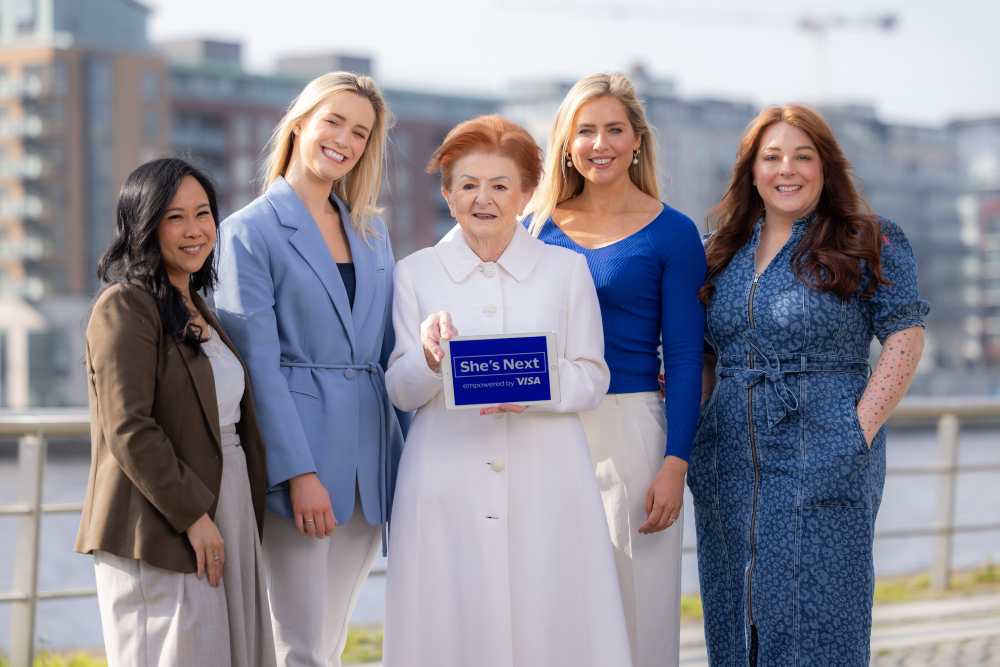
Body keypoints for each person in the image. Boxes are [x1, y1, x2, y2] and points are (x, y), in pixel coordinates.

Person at [382, 115, 632, 667]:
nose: (483, 199)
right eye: (467, 185)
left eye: (499, 186)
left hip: (549, 476)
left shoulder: (566, 271)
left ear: (524, 194)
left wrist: (534, 388)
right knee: (451, 621)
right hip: (446, 476)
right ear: (447, 195)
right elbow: (400, 389)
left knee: (552, 618)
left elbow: (593, 375)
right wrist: (428, 359)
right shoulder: (414, 274)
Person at [688, 104, 929, 665]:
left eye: (803, 156)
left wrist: (855, 432)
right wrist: (693, 431)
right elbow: (701, 353)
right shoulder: (720, 248)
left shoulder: (869, 238)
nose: (786, 169)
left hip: (825, 445)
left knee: (820, 615)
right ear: (751, 171)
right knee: (734, 611)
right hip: (728, 458)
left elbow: (904, 336)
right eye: (771, 157)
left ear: (826, 167)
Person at [214, 72, 403, 667]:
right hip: (299, 462)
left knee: (330, 640)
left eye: (360, 132)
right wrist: (297, 473)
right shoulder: (249, 231)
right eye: (334, 122)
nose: (344, 140)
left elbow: (390, 350)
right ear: (300, 123)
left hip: (367, 465)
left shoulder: (373, 234)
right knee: (295, 643)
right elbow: (257, 366)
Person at [525, 72, 706, 667]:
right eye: (585, 131)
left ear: (636, 140)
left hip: (631, 433)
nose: (599, 143)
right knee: (551, 602)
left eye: (613, 129)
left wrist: (675, 461)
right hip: (545, 428)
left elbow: (682, 356)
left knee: (642, 610)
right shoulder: (534, 226)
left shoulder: (674, 232)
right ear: (567, 143)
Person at [74, 158, 274, 666]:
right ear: (143, 226)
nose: (194, 230)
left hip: (225, 501)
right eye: (174, 217)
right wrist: (194, 517)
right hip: (159, 519)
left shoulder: (201, 309)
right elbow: (129, 427)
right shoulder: (124, 306)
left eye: (203, 213)